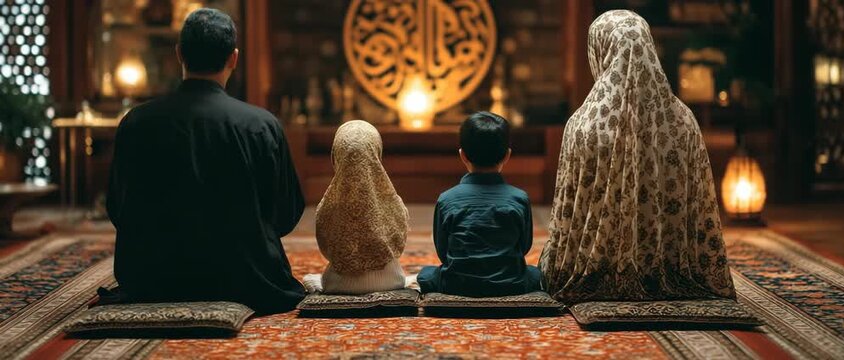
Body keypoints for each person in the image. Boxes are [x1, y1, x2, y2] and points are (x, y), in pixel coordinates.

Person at [105, 8, 306, 314]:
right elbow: (285, 214)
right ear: (233, 59)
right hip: (246, 279)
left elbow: (118, 209)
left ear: (179, 54)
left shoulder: (136, 123)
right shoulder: (261, 125)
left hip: (152, 280)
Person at [538, 10, 736, 303]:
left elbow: (568, 214)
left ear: (601, 50)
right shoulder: (683, 121)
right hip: (671, 266)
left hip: (593, 271)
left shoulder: (584, 125)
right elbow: (700, 206)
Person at [417, 112, 542, 297]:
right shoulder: (519, 198)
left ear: (463, 155)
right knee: (534, 273)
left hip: (456, 284)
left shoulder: (447, 199)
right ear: (507, 156)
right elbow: (524, 246)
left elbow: (443, 251)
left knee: (426, 274)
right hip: (510, 284)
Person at [308, 120, 408, 295]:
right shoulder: (393, 202)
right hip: (392, 281)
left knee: (310, 279)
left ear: (336, 155)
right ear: (376, 153)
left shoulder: (327, 206)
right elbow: (399, 246)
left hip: (338, 285)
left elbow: (326, 249)